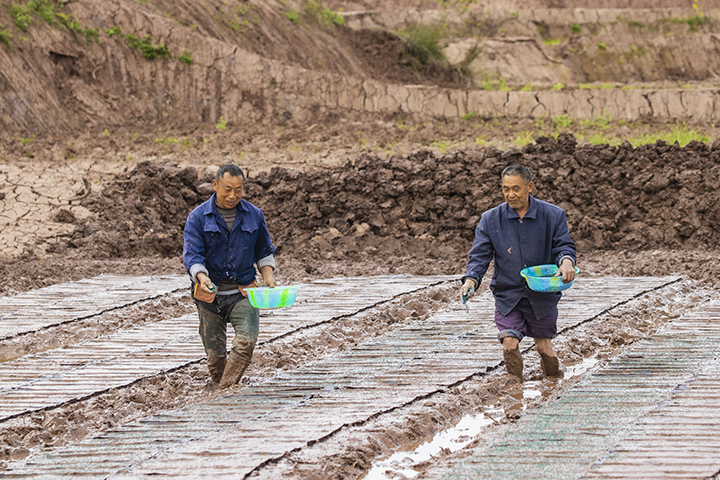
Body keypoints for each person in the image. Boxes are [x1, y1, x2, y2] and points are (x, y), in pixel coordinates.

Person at [460, 165, 576, 381]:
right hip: (508, 293)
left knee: (543, 348)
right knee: (510, 344)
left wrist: (567, 262)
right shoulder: (490, 219)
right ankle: (515, 389)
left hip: (542, 295)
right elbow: (480, 255)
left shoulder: (553, 215)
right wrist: (471, 280)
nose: (510, 195)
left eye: (516, 189)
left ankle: (553, 386)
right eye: (505, 189)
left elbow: (564, 246)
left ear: (530, 187)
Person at [183, 164, 276, 388]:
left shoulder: (254, 215)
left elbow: (264, 251)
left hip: (243, 292)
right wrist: (202, 277)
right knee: (215, 360)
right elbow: (192, 255)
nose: (232, 195)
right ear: (215, 185)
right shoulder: (198, 217)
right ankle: (223, 385)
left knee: (246, 341)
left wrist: (268, 276)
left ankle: (224, 391)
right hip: (210, 295)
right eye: (227, 189)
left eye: (238, 189)